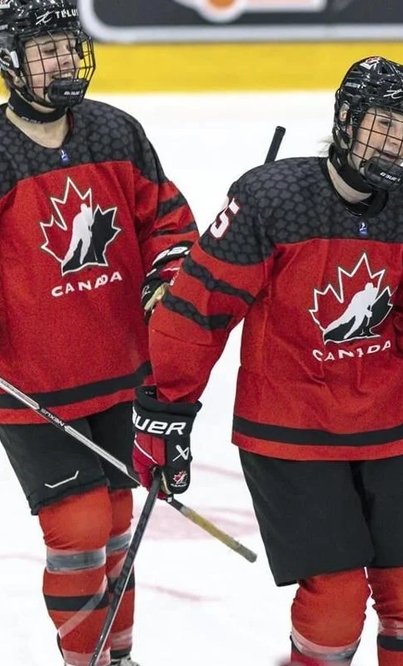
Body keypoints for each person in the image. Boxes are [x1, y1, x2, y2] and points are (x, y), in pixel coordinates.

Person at [130, 55, 403, 666]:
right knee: (334, 603)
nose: (396, 142)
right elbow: (200, 308)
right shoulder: (272, 200)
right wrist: (166, 410)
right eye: (383, 123)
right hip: (291, 429)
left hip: (398, 426)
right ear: (345, 119)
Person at [0, 1, 199, 665]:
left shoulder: (116, 131)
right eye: (44, 50)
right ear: (9, 60)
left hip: (121, 368)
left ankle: (119, 656)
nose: (61, 61)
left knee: (117, 524)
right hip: (31, 381)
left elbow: (169, 223)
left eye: (66, 46)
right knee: (79, 526)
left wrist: (170, 278)